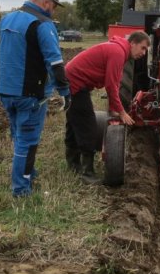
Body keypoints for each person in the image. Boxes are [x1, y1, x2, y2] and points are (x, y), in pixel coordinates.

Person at [0, 0, 71, 198]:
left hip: (5, 90)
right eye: (54, 6)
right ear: (46, 2)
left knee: (18, 135)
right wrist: (64, 90)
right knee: (27, 140)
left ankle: (28, 172)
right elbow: (55, 61)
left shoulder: (7, 19)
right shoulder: (42, 24)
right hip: (29, 93)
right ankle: (21, 189)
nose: (53, 11)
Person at [64, 31, 150, 184]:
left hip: (70, 80)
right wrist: (122, 112)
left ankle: (73, 164)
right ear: (133, 43)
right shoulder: (118, 53)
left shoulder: (119, 50)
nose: (144, 53)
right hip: (75, 83)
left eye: (146, 50)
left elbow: (113, 84)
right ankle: (87, 173)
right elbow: (111, 86)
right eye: (142, 48)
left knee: (74, 122)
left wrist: (113, 109)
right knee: (87, 125)